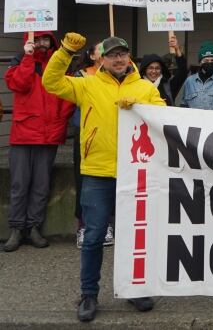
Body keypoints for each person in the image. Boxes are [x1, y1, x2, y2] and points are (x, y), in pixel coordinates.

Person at [42, 34, 166, 321]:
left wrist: (138, 105)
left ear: (129, 57)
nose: (119, 59)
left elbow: (163, 115)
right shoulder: (87, 84)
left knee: (133, 237)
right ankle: (88, 293)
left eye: (123, 54)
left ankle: (134, 289)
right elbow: (51, 82)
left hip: (134, 172)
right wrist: (65, 51)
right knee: (94, 236)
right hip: (97, 173)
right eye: (112, 55)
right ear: (101, 59)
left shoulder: (145, 88)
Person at [3, 31, 75, 252]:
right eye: (39, 39)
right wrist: (27, 58)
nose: (43, 43)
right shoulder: (20, 61)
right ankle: (16, 228)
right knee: (19, 184)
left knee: (41, 185)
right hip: (24, 133)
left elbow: (68, 96)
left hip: (48, 133)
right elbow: (18, 85)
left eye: (47, 40)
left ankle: (33, 227)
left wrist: (59, 121)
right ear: (29, 41)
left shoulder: (59, 64)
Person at [69, 42, 115, 249]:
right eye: (103, 49)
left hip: (112, 138)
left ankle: (108, 225)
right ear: (93, 55)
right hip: (87, 136)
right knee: (85, 185)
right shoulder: (82, 76)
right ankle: (84, 227)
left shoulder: (118, 75)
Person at [137, 35, 188, 106]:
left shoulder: (168, 85)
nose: (154, 71)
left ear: (161, 70)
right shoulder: (137, 85)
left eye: (157, 68)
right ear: (145, 69)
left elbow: (183, 72)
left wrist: (177, 49)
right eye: (150, 68)